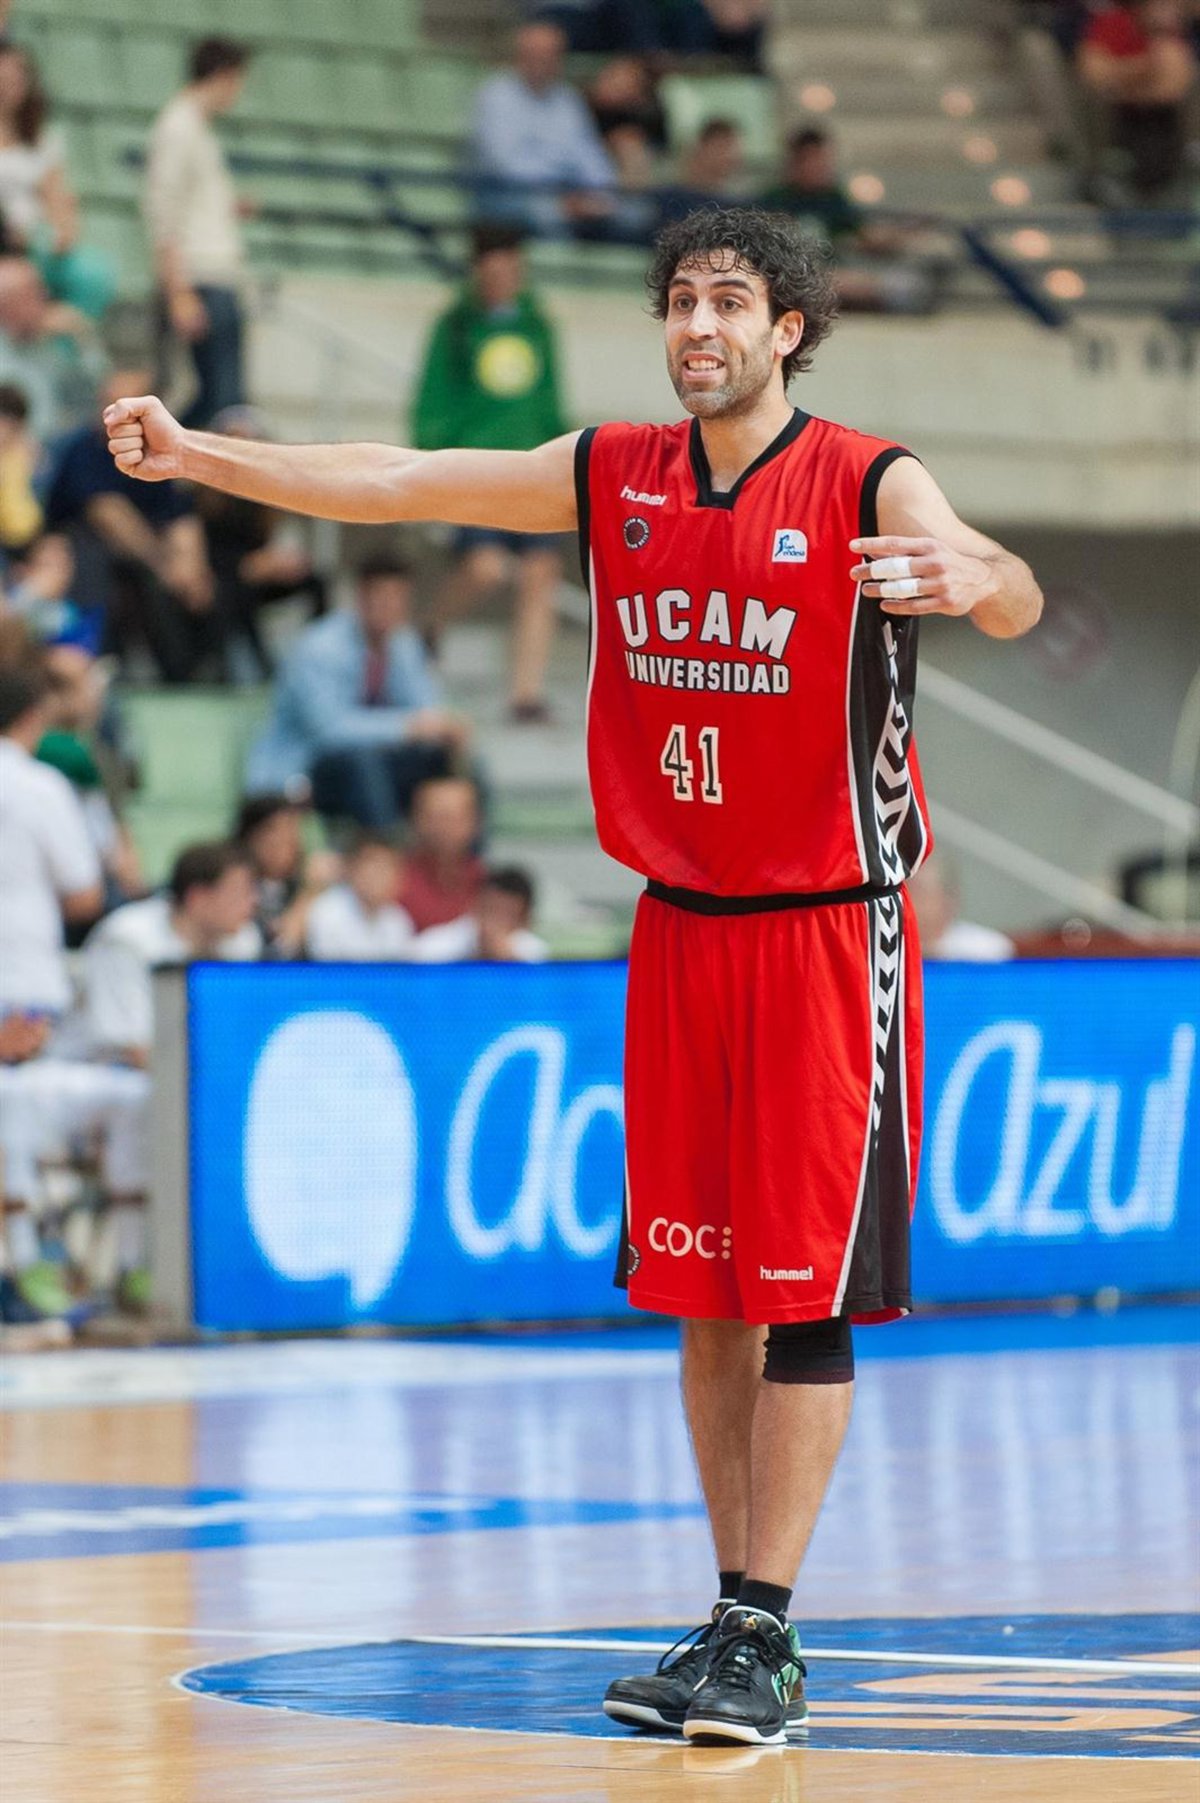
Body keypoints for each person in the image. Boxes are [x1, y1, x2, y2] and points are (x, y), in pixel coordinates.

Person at [101, 203, 1044, 1746]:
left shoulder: (868, 478)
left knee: (802, 1288)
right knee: (701, 1286)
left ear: (788, 329)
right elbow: (399, 479)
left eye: (728, 301)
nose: (698, 326)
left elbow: (1010, 587)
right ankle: (732, 1610)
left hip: (824, 926)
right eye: (680, 300)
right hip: (676, 925)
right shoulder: (615, 473)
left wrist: (971, 575)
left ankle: (768, 1633)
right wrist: (201, 454)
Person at [414, 227, 569, 722]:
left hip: (534, 466)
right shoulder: (456, 325)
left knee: (541, 574)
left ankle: (526, 693)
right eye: (494, 271)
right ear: (478, 271)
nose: (503, 281)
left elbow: (550, 396)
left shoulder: (538, 324)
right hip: (477, 466)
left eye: (511, 271)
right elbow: (432, 395)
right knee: (486, 567)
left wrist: (563, 452)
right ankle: (431, 624)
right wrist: (432, 455)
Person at [246, 553, 471, 828]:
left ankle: (462, 854)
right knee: (364, 764)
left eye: (398, 598)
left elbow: (425, 709)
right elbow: (328, 730)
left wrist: (446, 727)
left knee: (453, 765)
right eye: (382, 597)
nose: (390, 607)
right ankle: (383, 848)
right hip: (306, 769)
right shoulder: (320, 647)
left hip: (375, 763)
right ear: (361, 598)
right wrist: (406, 727)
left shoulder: (403, 644)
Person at [43, 366, 216, 683]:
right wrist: (164, 564)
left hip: (142, 546)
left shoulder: (158, 448)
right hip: (84, 542)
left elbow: (178, 513)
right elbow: (107, 513)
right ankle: (93, 661)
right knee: (99, 563)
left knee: (204, 576)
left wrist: (191, 565)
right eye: (108, 404)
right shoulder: (84, 448)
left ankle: (188, 670)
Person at [143, 37, 251, 427]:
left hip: (211, 274)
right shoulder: (179, 127)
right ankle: (164, 458)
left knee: (218, 400)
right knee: (222, 402)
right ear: (223, 76)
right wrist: (179, 290)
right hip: (200, 277)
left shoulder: (195, 128)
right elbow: (163, 210)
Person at [195, 405, 327, 683]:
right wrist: (249, 566)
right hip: (219, 577)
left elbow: (277, 544)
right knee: (232, 592)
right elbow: (206, 556)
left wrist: (281, 562)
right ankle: (242, 668)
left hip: (256, 574)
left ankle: (318, 657)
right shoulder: (203, 498)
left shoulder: (266, 496)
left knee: (316, 581)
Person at [469, 22, 616, 239]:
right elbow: (505, 165)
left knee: (631, 215)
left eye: (550, 55)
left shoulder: (569, 100)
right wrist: (562, 199)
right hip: (507, 195)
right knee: (549, 216)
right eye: (535, 54)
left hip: (569, 194)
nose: (542, 61)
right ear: (519, 55)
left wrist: (599, 194)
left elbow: (591, 157)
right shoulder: (495, 96)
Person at [0, 44, 114, 318]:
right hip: (6, 243)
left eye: (18, 78)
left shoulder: (41, 142)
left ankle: (61, 338)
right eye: (4, 78)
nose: (11, 85)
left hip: (36, 243)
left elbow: (57, 199)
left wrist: (62, 232)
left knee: (94, 273)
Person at [1076, 0, 1198, 196]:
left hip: (1164, 118)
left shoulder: (1172, 33)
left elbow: (1172, 87)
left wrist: (1126, 78)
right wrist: (1145, 70)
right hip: (1118, 115)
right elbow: (1095, 74)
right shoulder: (1111, 23)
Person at [0, 254, 106, 443]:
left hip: (60, 451)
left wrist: (81, 336)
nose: (41, 299)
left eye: (39, 291)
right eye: (26, 295)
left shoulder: (55, 348)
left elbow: (97, 395)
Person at [305, 832, 414, 961]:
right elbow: (327, 969)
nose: (377, 877)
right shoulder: (327, 911)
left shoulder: (398, 919)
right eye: (372, 867)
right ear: (353, 869)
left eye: (385, 868)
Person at [398, 775, 486, 931]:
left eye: (454, 817)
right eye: (435, 817)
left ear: (476, 822)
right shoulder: (394, 882)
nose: (444, 827)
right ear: (415, 819)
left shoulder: (485, 884)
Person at [410, 864, 549, 962]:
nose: (494, 923)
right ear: (474, 906)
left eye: (506, 915)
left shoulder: (534, 955)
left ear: (524, 921)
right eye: (490, 910)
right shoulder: (432, 946)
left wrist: (507, 960)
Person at [906, 853, 1015, 961]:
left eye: (918, 892)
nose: (907, 901)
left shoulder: (989, 952)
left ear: (947, 901)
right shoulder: (896, 949)